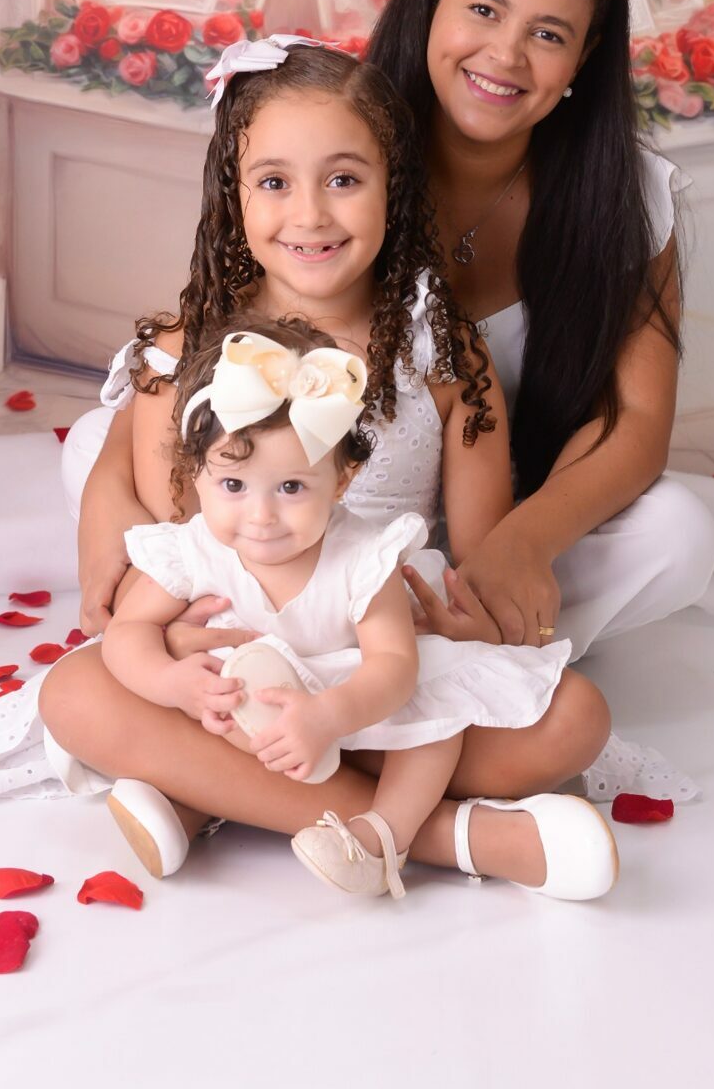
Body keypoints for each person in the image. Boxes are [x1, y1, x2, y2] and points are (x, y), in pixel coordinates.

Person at [0, 40, 615, 894]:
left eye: (344, 179)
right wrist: (171, 655)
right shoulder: (181, 353)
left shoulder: (442, 356)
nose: (310, 215)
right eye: (275, 181)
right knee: (77, 696)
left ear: (393, 187)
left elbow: (479, 552)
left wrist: (466, 629)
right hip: (238, 671)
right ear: (233, 195)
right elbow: (181, 544)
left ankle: (208, 795)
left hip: (379, 664)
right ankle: (440, 837)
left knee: (573, 721)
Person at [105, 316, 616, 901]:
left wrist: (328, 717)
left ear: (342, 479)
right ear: (196, 473)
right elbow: (128, 632)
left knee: (434, 721)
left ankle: (383, 837)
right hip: (255, 711)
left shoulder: (363, 559)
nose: (261, 516)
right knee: (129, 693)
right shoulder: (193, 550)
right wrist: (172, 683)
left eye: (291, 487)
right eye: (234, 486)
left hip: (357, 703)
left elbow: (394, 667)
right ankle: (209, 800)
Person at [365, 0, 714, 652]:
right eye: (483, 10)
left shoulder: (624, 195)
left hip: (511, 517)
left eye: (548, 34)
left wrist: (519, 544)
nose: (505, 55)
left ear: (581, 60)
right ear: (429, 3)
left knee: (679, 535)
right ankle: (457, 653)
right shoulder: (335, 147)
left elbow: (634, 422)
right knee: (121, 448)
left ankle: (456, 646)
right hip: (338, 504)